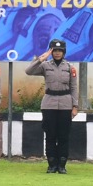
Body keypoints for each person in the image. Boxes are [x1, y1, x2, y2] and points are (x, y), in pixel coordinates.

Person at [29, 38, 79, 174]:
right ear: (51, 52)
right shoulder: (45, 66)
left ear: (63, 52)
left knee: (63, 135)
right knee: (50, 135)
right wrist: (41, 58)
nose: (57, 53)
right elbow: (29, 71)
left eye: (59, 51)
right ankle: (51, 164)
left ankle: (62, 164)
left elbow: (74, 88)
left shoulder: (69, 67)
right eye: (54, 51)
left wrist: (75, 106)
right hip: (49, 104)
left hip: (65, 103)